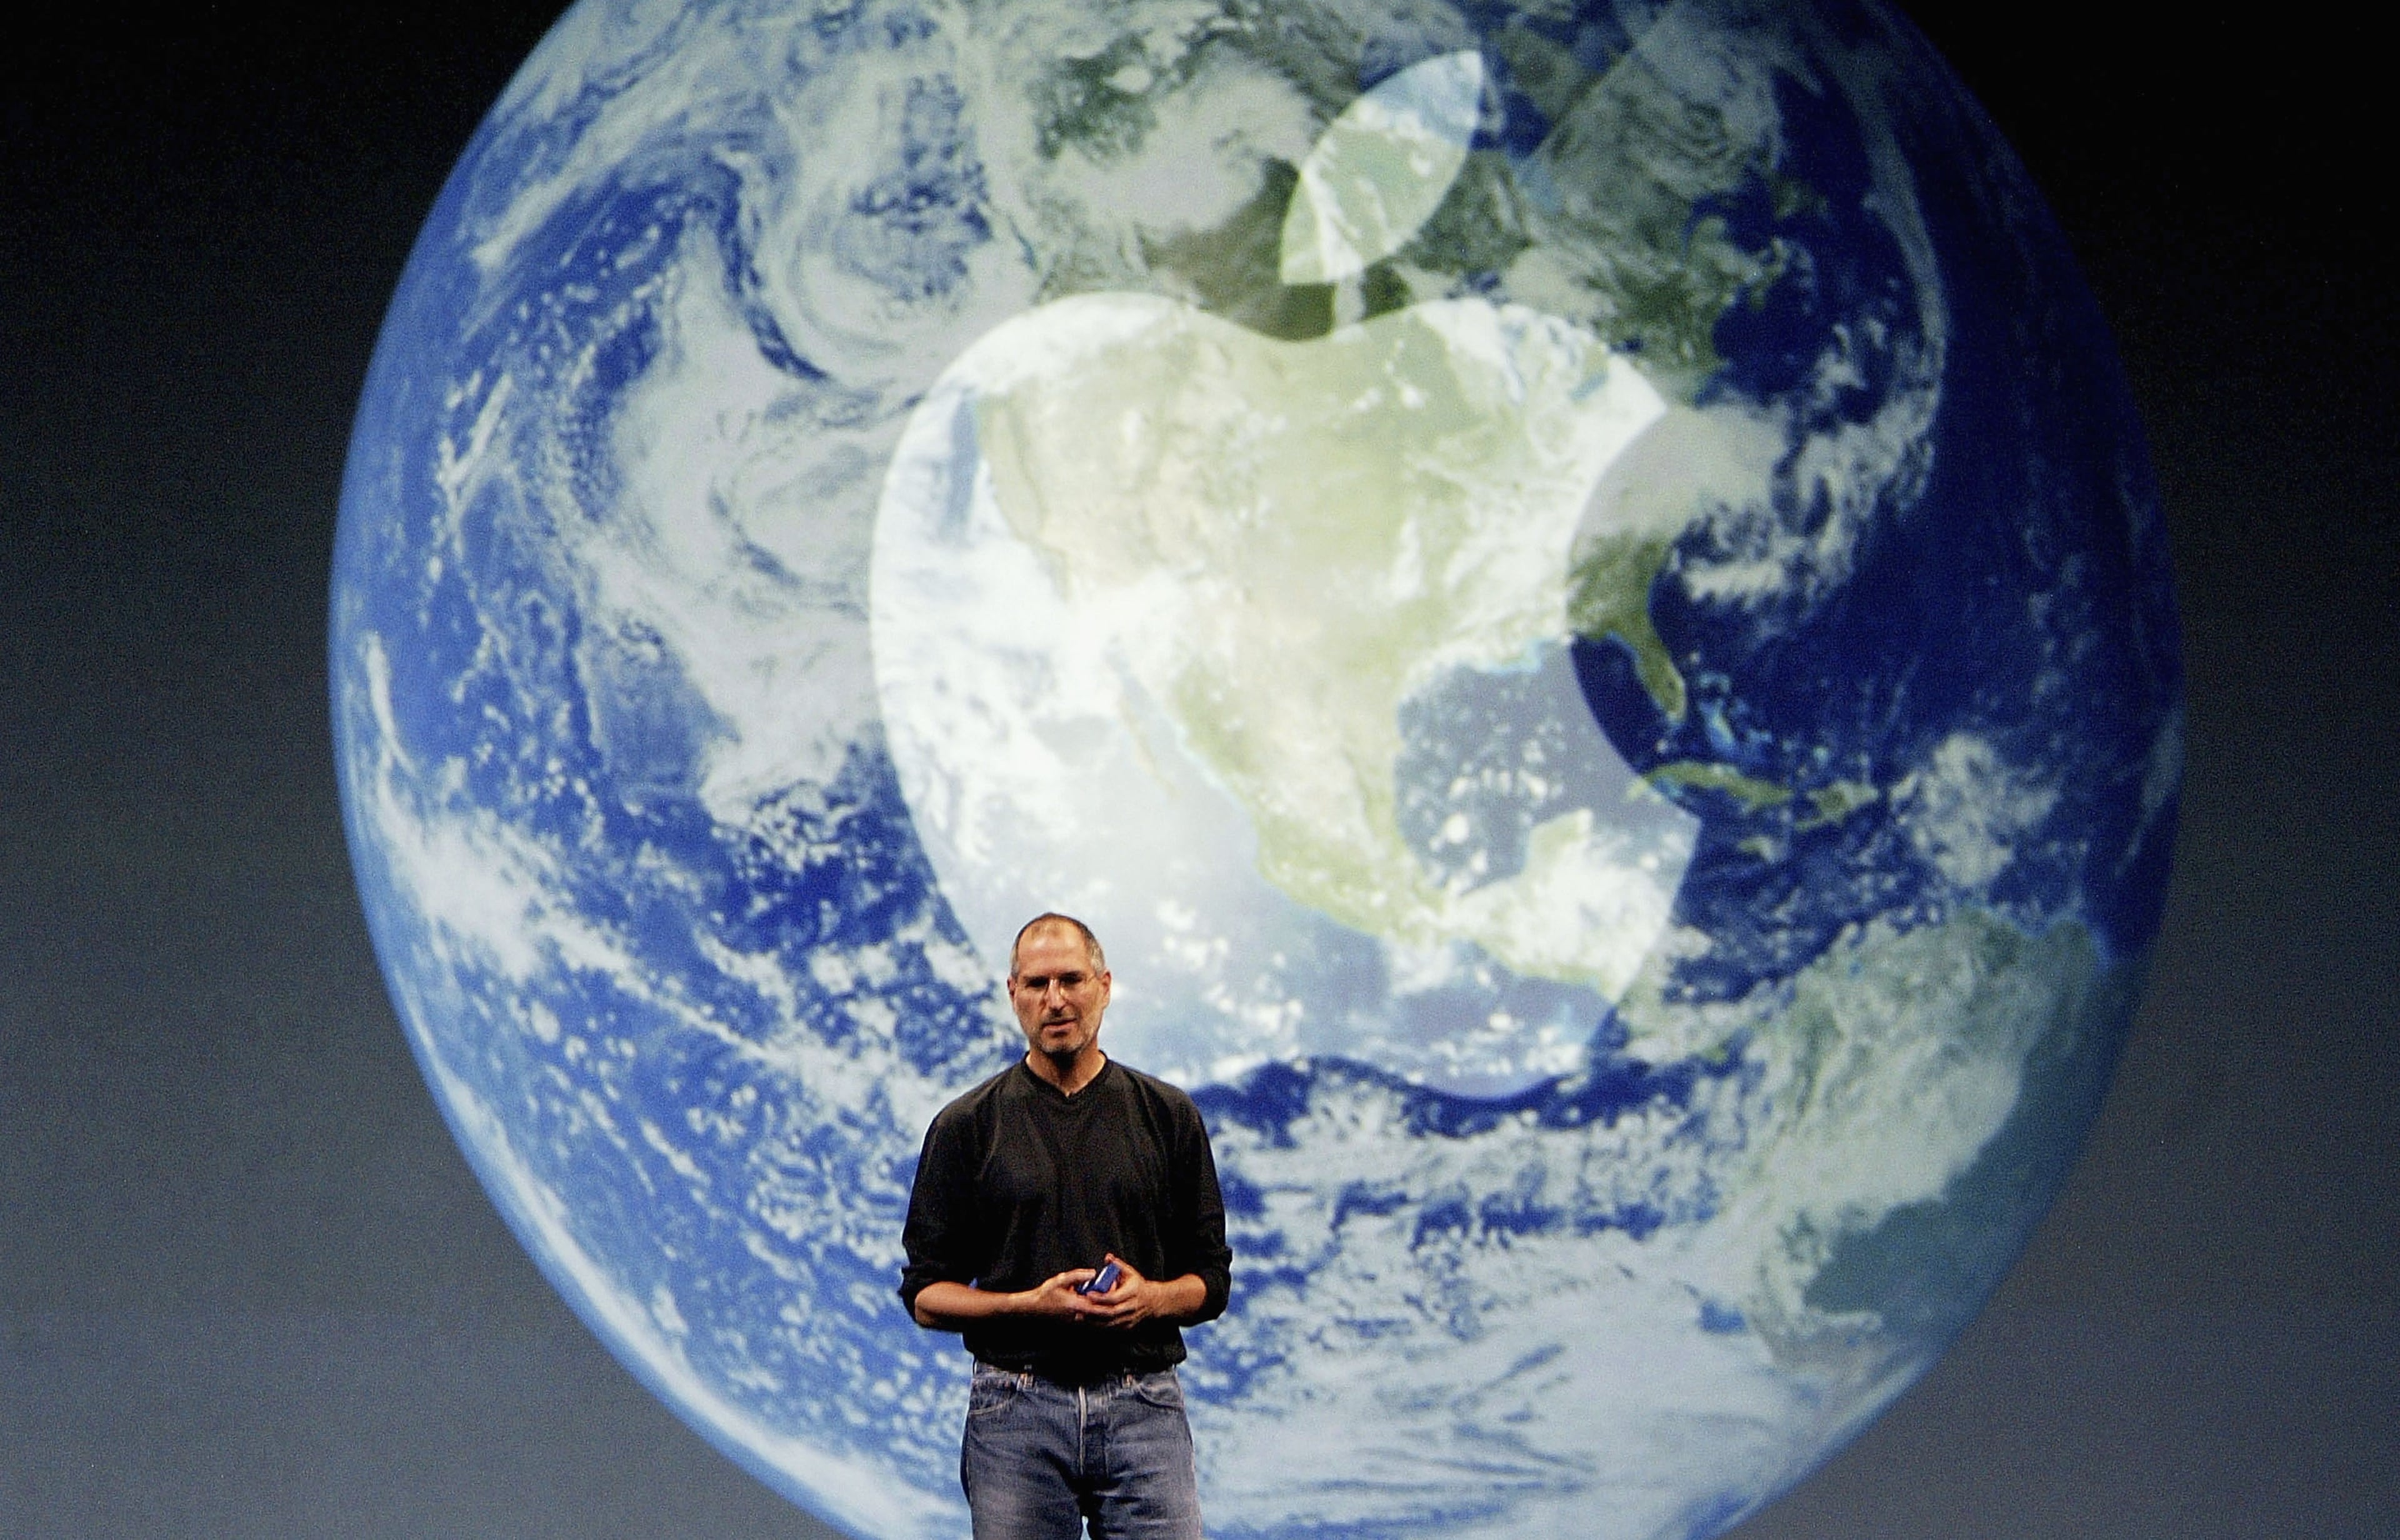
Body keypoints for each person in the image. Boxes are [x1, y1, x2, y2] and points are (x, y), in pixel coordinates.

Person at [899, 912, 1231, 1540]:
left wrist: (1153, 1297)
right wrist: (1028, 1306)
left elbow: (1212, 1281)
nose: (1056, 999)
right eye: (1037, 983)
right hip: (1015, 1411)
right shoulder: (966, 1126)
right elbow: (925, 1296)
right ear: (1013, 994)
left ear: (1104, 985)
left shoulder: (1168, 1116)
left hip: (1145, 1406)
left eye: (1071, 980)